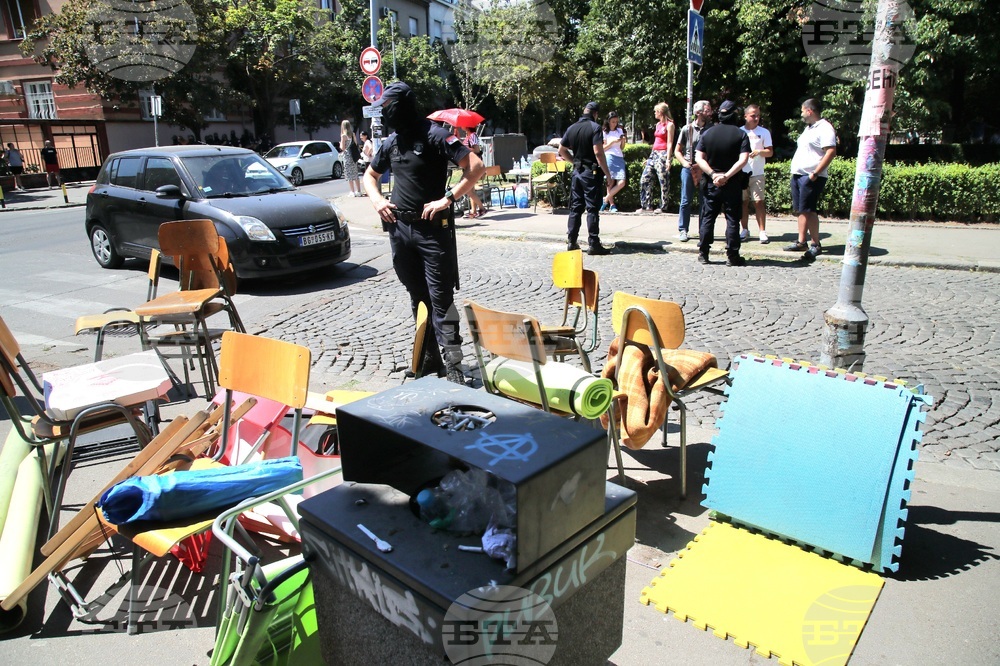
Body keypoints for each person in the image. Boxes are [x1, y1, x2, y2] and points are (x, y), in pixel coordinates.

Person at [363, 81, 485, 384]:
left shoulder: (435, 134)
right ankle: (429, 357)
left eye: (388, 108)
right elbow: (369, 175)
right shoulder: (392, 142)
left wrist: (449, 198)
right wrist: (378, 201)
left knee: (441, 298)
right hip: (400, 230)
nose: (385, 115)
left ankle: (454, 364)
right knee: (417, 297)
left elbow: (477, 166)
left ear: (402, 105)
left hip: (432, 232)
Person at [694, 100, 751, 267]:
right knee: (732, 219)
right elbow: (743, 159)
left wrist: (713, 175)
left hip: (711, 184)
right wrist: (726, 176)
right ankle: (732, 255)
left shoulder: (708, 133)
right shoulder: (741, 134)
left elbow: (699, 158)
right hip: (732, 183)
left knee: (708, 217)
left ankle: (703, 252)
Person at [559, 101, 613, 256]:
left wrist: (574, 161)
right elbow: (598, 153)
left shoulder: (572, 127)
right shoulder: (595, 128)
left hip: (577, 172)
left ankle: (572, 241)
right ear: (595, 114)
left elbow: (562, 150)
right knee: (592, 208)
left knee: (576, 207)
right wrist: (608, 174)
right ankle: (594, 244)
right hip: (591, 173)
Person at [786, 98, 837, 261]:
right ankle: (802, 242)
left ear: (809, 111)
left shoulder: (825, 128)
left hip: (811, 176)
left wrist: (815, 173)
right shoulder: (809, 129)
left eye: (802, 110)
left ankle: (815, 244)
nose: (801, 114)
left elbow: (830, 151)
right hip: (799, 174)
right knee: (802, 209)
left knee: (810, 210)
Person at [673, 100, 713, 242]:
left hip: (704, 169)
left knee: (705, 201)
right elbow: (677, 151)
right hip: (689, 168)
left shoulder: (711, 129)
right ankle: (683, 229)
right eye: (707, 110)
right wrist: (684, 163)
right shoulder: (687, 129)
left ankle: (703, 231)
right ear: (698, 113)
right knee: (685, 200)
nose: (710, 113)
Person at [739, 104, 774, 244]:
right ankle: (744, 229)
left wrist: (759, 151)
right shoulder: (740, 132)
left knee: (759, 202)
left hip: (757, 172)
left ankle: (762, 231)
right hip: (742, 173)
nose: (756, 118)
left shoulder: (764, 132)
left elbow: (770, 152)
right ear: (745, 116)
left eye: (758, 115)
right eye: (753, 115)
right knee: (743, 202)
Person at [639, 102, 675, 213]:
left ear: (660, 112)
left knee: (663, 180)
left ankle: (663, 206)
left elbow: (670, 143)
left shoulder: (670, 125)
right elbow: (656, 142)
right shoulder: (658, 125)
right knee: (645, 178)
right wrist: (650, 157)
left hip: (663, 153)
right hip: (655, 153)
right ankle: (646, 205)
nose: (654, 113)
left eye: (656, 111)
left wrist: (668, 159)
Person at [457, 126, 487, 218]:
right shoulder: (468, 136)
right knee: (470, 189)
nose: (462, 126)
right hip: (467, 165)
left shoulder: (473, 135)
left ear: (468, 126)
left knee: (467, 189)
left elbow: (476, 150)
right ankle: (473, 211)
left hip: (472, 165)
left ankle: (482, 208)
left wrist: (464, 149)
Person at [601, 111, 627, 213]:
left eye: (616, 121)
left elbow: (622, 147)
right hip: (609, 156)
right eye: (613, 122)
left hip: (619, 156)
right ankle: (612, 205)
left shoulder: (619, 130)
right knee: (610, 182)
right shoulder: (604, 132)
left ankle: (605, 199)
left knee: (621, 182)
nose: (615, 123)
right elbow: (603, 148)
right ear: (608, 121)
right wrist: (612, 142)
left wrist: (623, 140)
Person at [341, 120, 363, 197]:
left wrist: (341, 144)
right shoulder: (353, 134)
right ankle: (359, 191)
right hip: (354, 156)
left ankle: (352, 191)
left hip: (347, 156)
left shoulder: (343, 136)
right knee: (355, 173)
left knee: (349, 174)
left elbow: (342, 148)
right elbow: (356, 144)